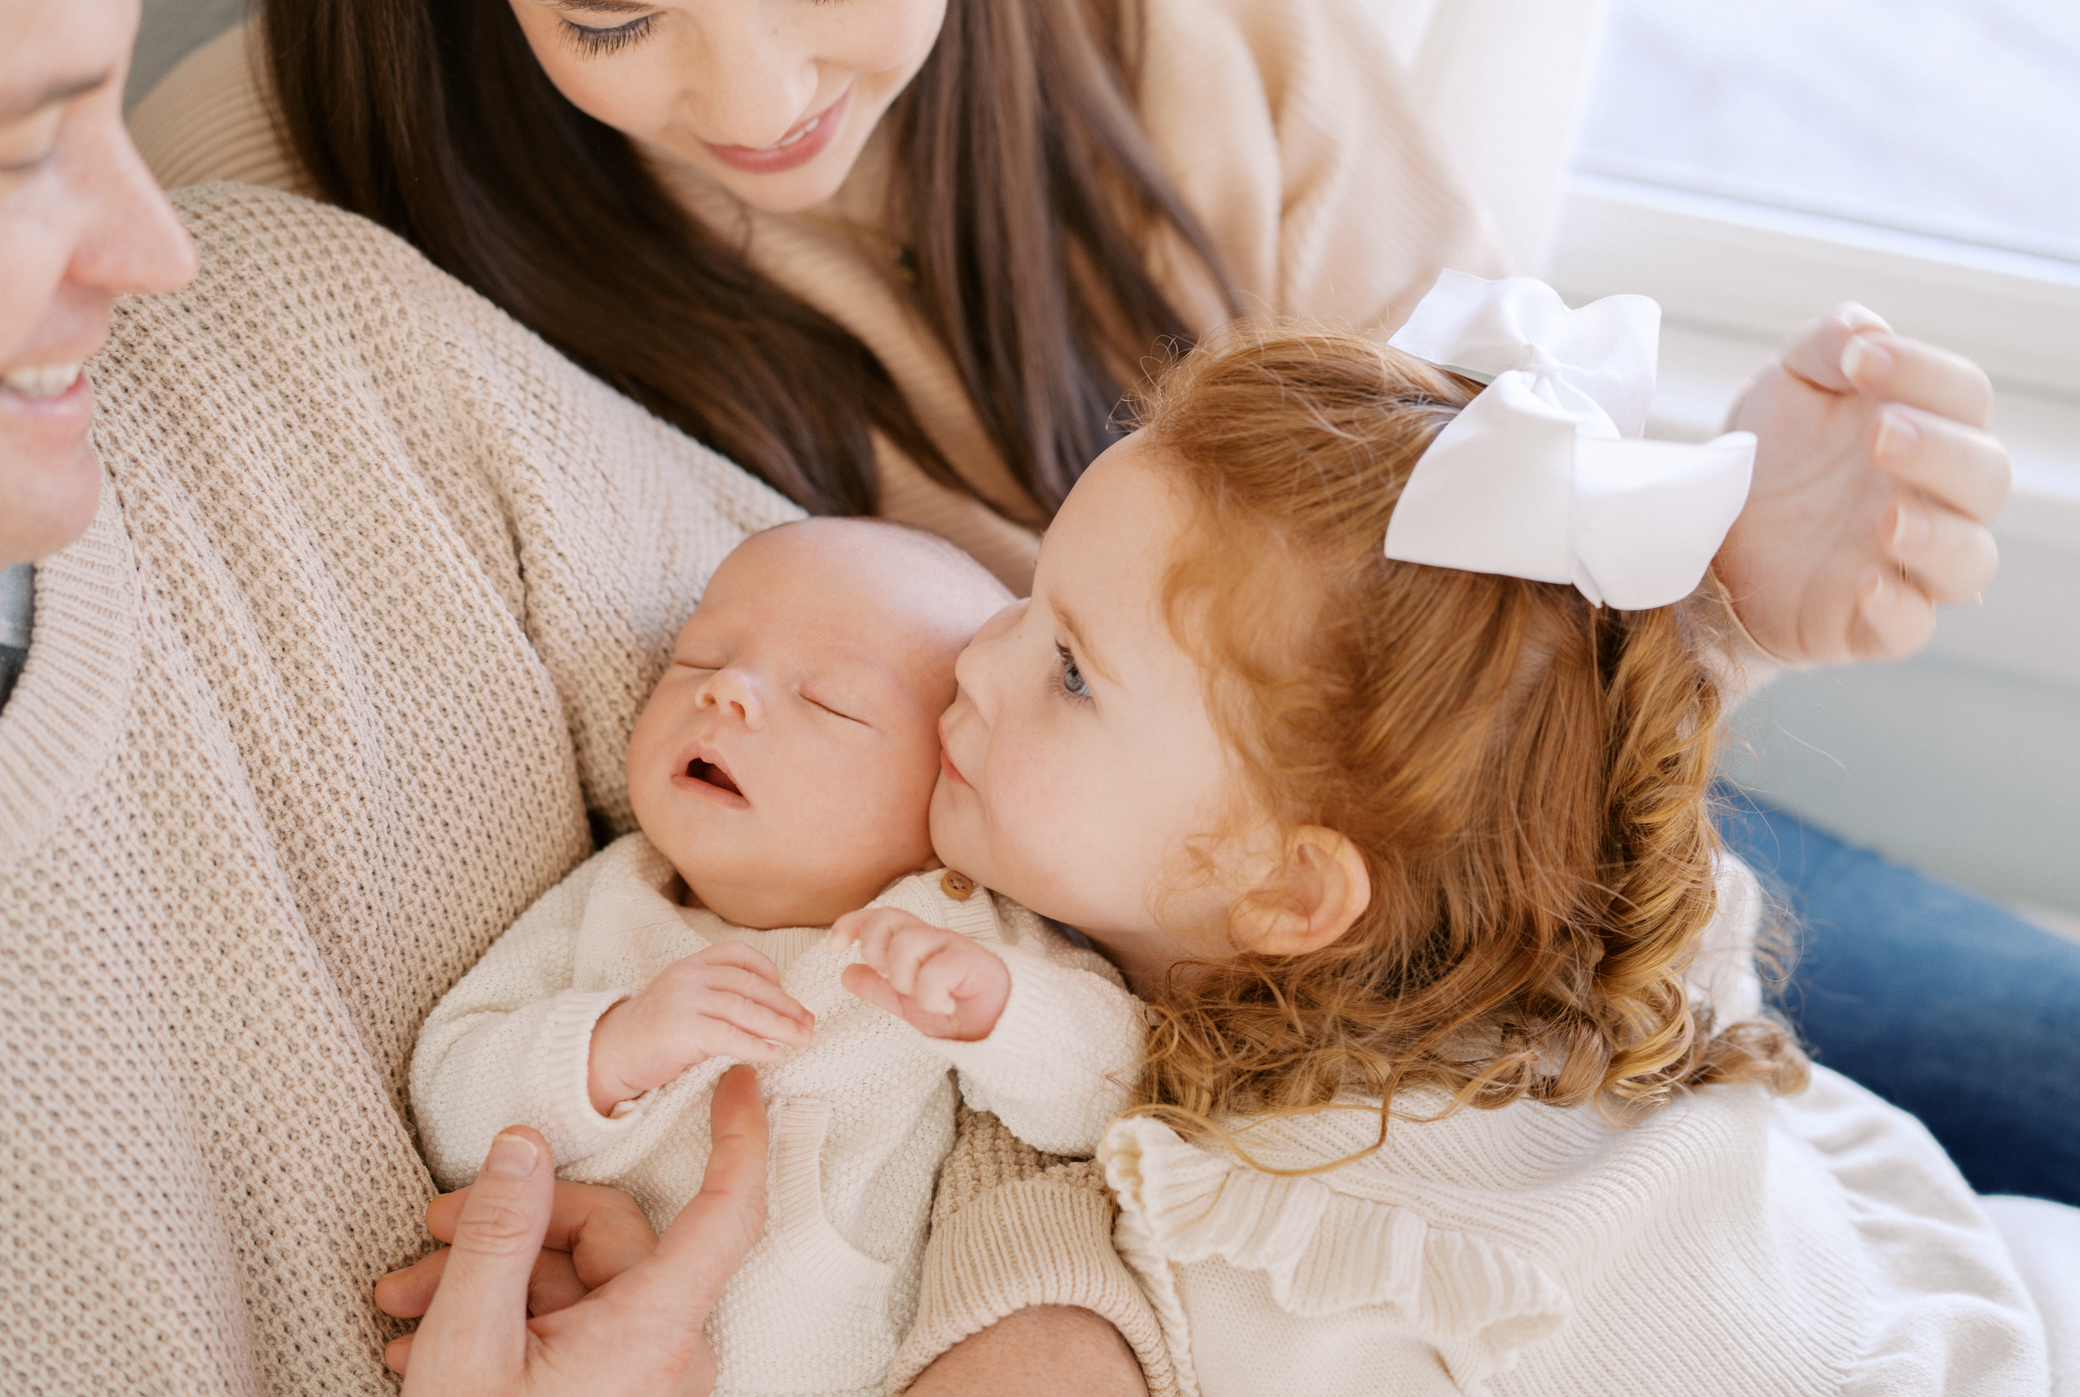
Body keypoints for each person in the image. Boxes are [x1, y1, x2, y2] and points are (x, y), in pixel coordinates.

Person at [128, 0, 2072, 1205]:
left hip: (1455, 856)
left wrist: (1700, 578)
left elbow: (1464, 594)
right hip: (1053, 1067)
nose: (756, 85)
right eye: (614, 12)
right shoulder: (268, 194)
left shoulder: (1181, 39)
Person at [0, 2, 1168, 1397]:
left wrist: (1044, 1361)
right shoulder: (616, 915)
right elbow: (486, 1076)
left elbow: (1120, 955)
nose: (159, 242)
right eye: (20, 151)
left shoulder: (306, 337)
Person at [867, 289, 2077, 1397]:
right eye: (1030, 602)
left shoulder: (1288, 1248)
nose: (969, 657)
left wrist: (1699, 607)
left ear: (1291, 891)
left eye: (1068, 670)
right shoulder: (1470, 1026)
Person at [411, 518, 1146, 1397]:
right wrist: (614, 1046)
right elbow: (449, 1089)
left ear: (949, 779)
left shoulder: (950, 928)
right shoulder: (614, 902)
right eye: (699, 658)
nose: (726, 692)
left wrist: (997, 1009)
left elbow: (1113, 1098)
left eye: (828, 700)